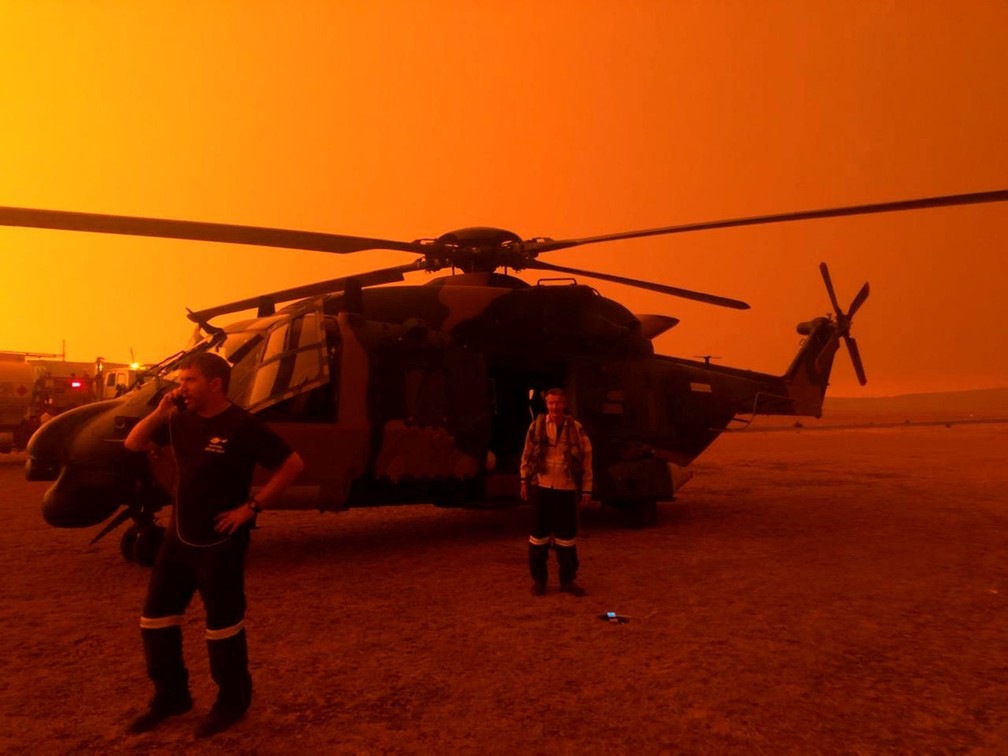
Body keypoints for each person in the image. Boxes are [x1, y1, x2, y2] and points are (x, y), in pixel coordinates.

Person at [124, 352, 304, 738]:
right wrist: (159, 412)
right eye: (180, 380)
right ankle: (171, 697)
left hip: (220, 542)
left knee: (222, 626)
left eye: (188, 380)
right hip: (177, 537)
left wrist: (251, 508)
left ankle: (231, 701)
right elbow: (133, 443)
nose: (180, 387)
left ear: (215, 384)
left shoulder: (242, 425)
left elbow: (292, 464)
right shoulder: (179, 419)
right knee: (155, 620)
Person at [519, 387, 593, 597]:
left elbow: (587, 459)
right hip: (541, 487)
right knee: (537, 537)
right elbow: (527, 453)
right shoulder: (537, 426)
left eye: (559, 403)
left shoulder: (576, 429)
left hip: (566, 488)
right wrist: (524, 480)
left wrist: (587, 488)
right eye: (551, 403)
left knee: (566, 538)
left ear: (565, 404)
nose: (555, 407)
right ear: (546, 405)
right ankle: (540, 581)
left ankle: (567, 581)